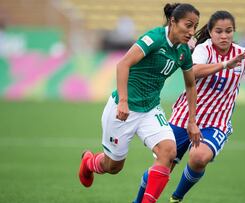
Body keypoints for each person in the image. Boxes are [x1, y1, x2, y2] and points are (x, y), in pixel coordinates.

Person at [132, 10, 245, 203]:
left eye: (229, 31)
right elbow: (195, 71)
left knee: (198, 157)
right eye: (219, 31)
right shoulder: (203, 49)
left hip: (216, 122)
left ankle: (176, 197)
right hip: (185, 116)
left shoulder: (244, 55)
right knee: (163, 166)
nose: (224, 36)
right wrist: (224, 65)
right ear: (211, 32)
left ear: (234, 32)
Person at [78, 3, 201, 203]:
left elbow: (190, 85)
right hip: (123, 108)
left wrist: (193, 120)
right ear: (173, 21)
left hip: (150, 109)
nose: (191, 31)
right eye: (188, 25)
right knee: (113, 167)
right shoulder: (154, 38)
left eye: (195, 27)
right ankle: (90, 162)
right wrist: (123, 102)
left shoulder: (183, 52)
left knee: (169, 151)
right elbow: (123, 64)